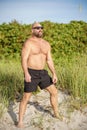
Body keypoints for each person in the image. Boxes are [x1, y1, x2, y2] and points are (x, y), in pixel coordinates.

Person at [17, 22, 62, 128]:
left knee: (54, 92)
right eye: (37, 28)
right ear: (32, 30)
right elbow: (23, 59)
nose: (40, 29)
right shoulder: (28, 43)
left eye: (41, 27)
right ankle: (20, 122)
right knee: (26, 98)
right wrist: (26, 73)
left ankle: (56, 114)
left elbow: (49, 60)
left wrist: (54, 73)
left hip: (43, 73)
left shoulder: (46, 44)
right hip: (31, 73)